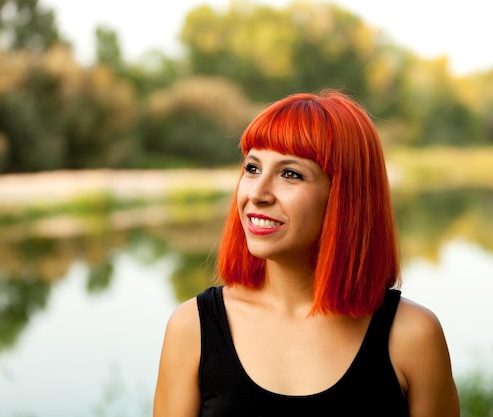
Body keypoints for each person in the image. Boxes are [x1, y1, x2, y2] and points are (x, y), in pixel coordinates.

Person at [153, 89, 460, 417]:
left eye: (290, 174)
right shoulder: (192, 329)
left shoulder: (413, 336)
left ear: (345, 196)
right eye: (252, 168)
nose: (257, 193)